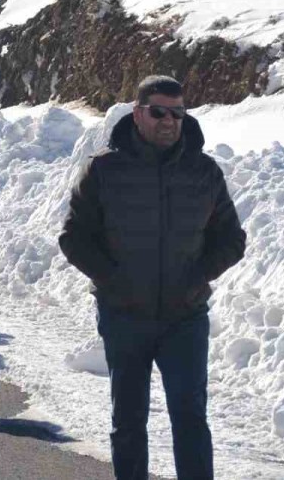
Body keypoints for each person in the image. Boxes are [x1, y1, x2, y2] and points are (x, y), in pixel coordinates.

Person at [58, 75, 246, 480]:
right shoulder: (104, 170)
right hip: (125, 316)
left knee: (190, 415)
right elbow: (74, 238)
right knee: (128, 419)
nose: (169, 121)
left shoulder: (204, 172)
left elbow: (232, 239)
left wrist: (198, 278)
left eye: (177, 113)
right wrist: (114, 282)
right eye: (159, 111)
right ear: (138, 113)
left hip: (185, 317)